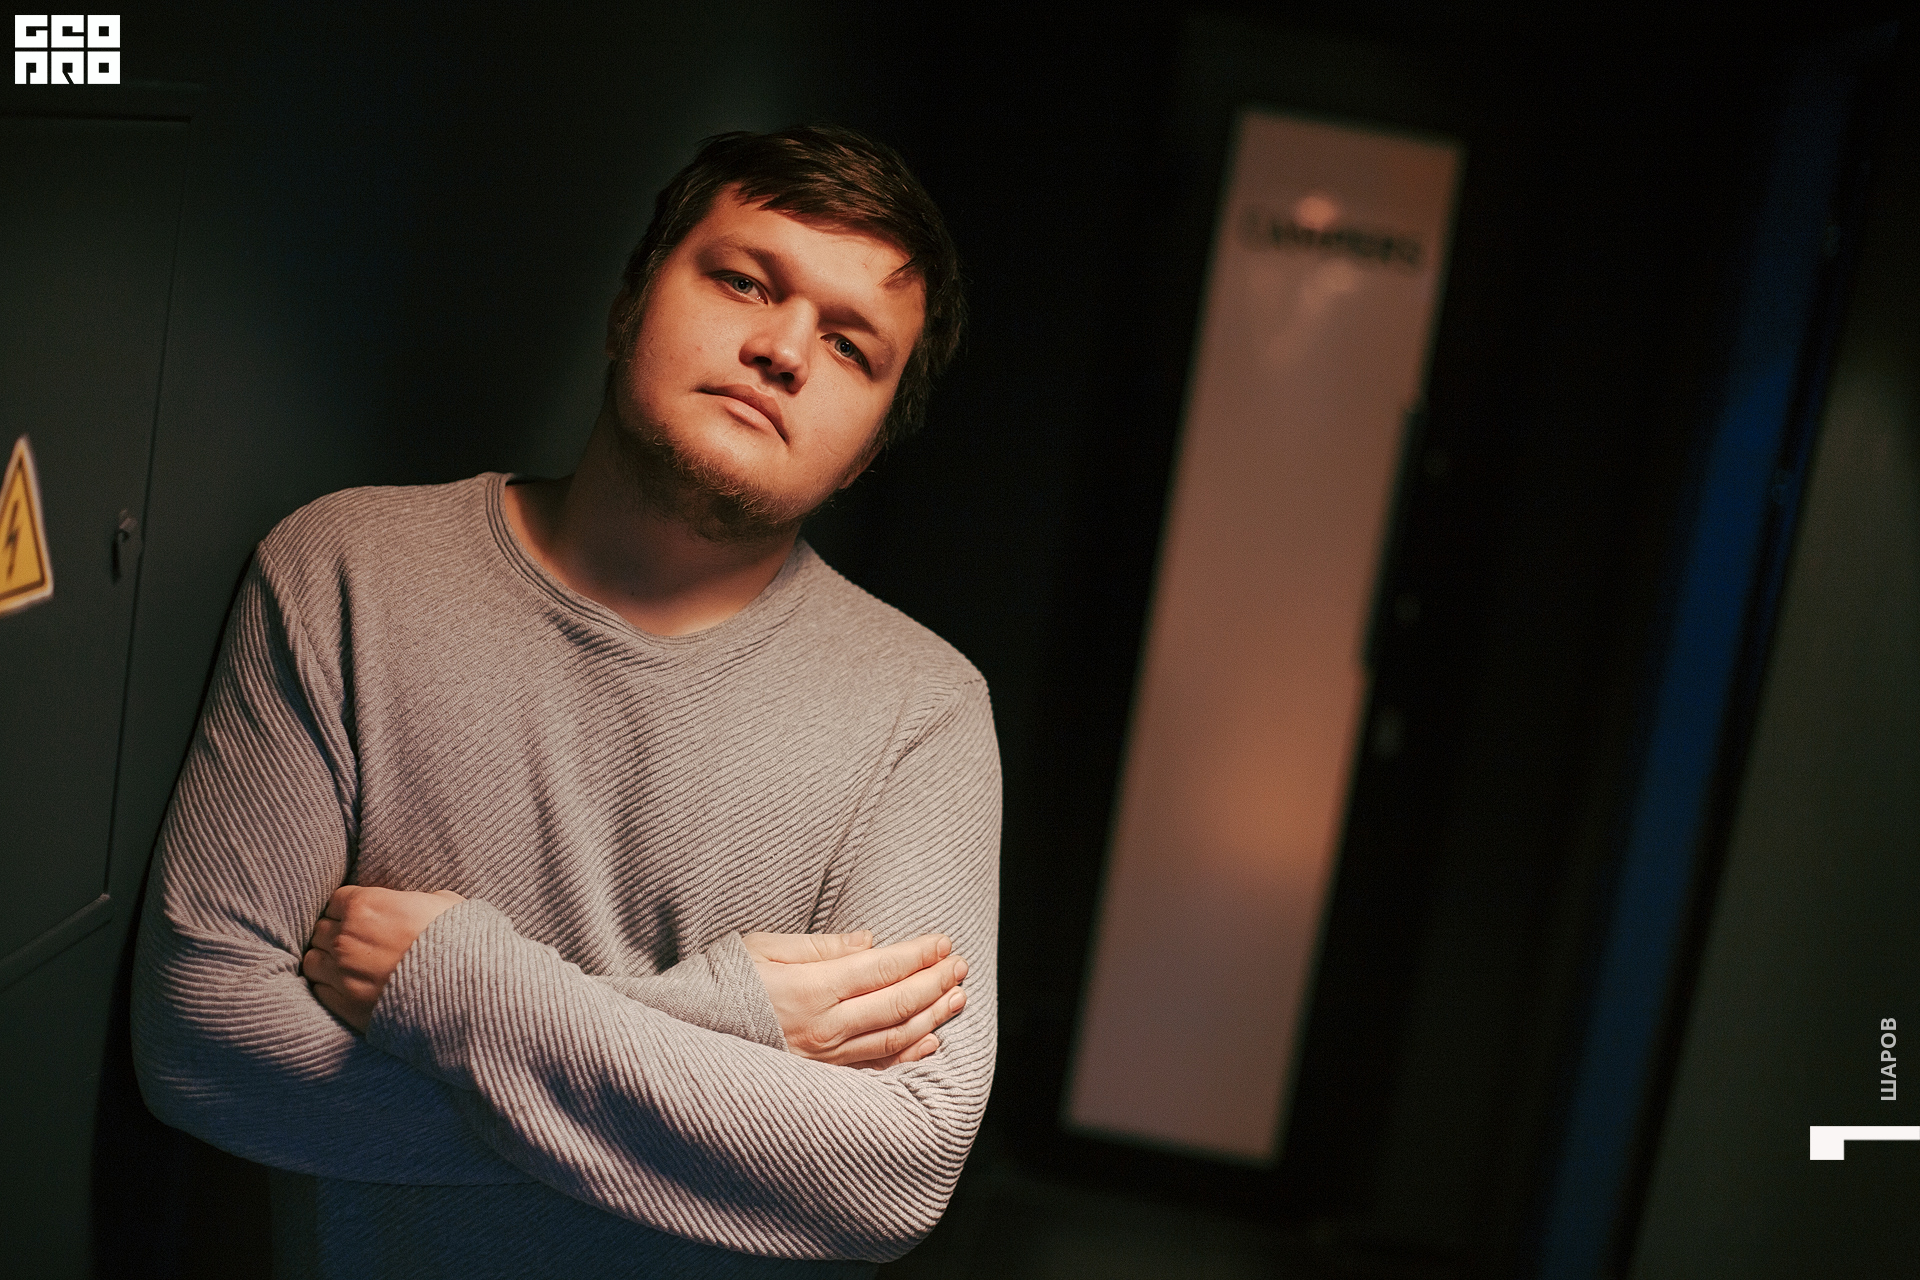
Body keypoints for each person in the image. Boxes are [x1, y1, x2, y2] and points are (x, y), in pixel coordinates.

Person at [131, 125, 998, 1279]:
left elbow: (892, 1168)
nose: (785, 349)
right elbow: (205, 1039)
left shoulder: (924, 712)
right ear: (627, 303)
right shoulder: (348, 571)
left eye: (851, 346)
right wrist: (732, 1022)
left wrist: (458, 986)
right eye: (745, 281)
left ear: (870, 449)